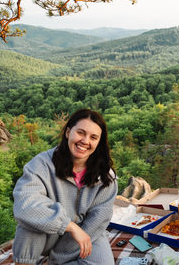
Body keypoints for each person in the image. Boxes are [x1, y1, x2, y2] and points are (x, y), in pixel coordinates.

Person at [12, 109, 118, 265]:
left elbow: (97, 222)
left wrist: (59, 258)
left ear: (99, 142)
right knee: (30, 222)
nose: (85, 141)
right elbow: (24, 205)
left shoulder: (106, 177)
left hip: (84, 233)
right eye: (81, 133)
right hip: (46, 233)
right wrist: (69, 226)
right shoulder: (41, 164)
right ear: (68, 132)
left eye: (93, 137)